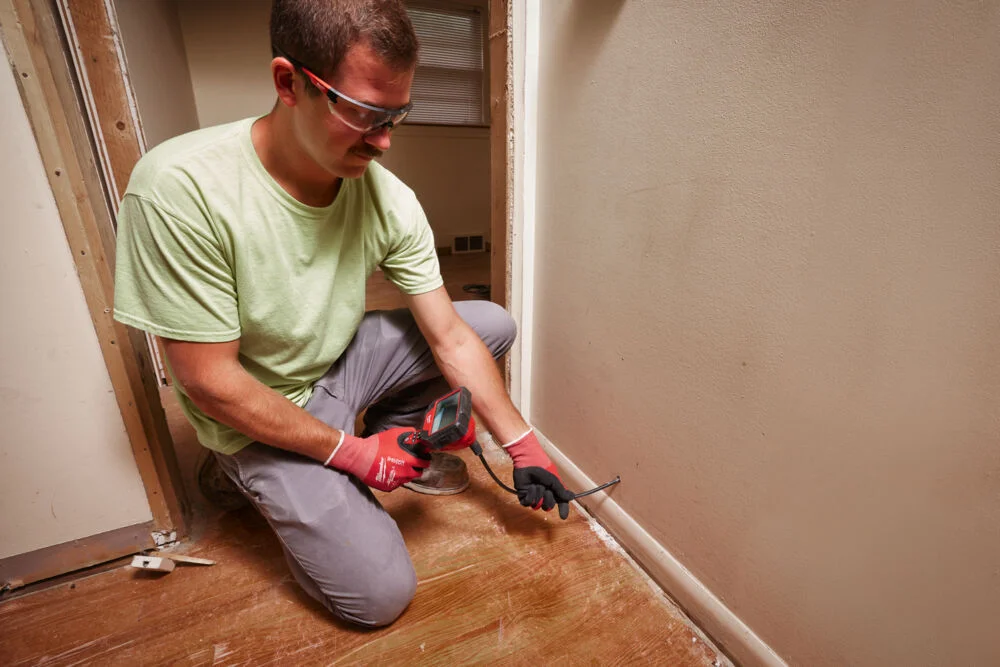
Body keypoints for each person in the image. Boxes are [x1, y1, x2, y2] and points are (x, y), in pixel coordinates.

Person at [112, 0, 573, 628]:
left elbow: (452, 337)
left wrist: (524, 448)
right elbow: (208, 382)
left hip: (337, 362)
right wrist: (354, 455)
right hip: (255, 409)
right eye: (363, 113)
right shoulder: (180, 189)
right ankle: (240, 472)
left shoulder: (389, 199)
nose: (384, 141)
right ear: (289, 83)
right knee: (378, 598)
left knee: (489, 323)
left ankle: (395, 434)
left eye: (396, 115)